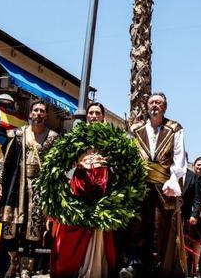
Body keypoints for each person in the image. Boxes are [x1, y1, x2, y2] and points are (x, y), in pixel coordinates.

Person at [121, 92, 187, 278]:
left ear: (165, 107)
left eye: (159, 103)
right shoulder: (135, 129)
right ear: (146, 106)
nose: (155, 106)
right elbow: (128, 155)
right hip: (140, 185)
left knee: (161, 227)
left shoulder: (175, 128)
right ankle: (134, 265)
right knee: (136, 225)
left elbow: (179, 158)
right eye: (151, 102)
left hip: (163, 185)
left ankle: (159, 266)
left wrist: (174, 181)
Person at [52, 102, 118, 278]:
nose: (94, 116)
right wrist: (78, 163)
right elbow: (65, 161)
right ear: (86, 116)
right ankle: (72, 268)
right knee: (72, 228)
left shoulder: (111, 139)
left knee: (99, 226)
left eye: (97, 113)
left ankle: (93, 269)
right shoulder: (76, 137)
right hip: (79, 183)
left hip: (101, 183)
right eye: (91, 113)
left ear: (103, 117)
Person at [0, 99, 58, 278]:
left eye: (42, 111)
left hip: (38, 188)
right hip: (16, 185)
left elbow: (56, 166)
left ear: (46, 115)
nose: (38, 113)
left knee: (33, 230)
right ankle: (12, 262)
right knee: (11, 228)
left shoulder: (53, 137)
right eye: (35, 110)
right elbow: (6, 161)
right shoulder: (18, 134)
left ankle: (26, 268)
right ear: (30, 114)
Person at [183, 156, 201, 277]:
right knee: (184, 241)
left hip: (200, 216)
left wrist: (199, 210)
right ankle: (185, 268)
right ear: (194, 165)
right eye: (198, 164)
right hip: (186, 214)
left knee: (197, 243)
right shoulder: (188, 177)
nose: (199, 167)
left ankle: (195, 269)